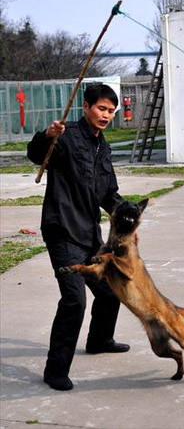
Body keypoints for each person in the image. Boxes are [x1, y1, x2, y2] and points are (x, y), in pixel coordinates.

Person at [27, 84, 129, 391]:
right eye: (101, 108)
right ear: (85, 107)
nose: (106, 115)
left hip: (87, 233)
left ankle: (99, 340)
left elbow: (107, 193)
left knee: (111, 290)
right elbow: (38, 155)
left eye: (111, 111)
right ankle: (55, 370)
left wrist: (125, 213)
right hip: (62, 230)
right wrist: (47, 136)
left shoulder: (103, 146)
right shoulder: (66, 135)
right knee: (74, 300)